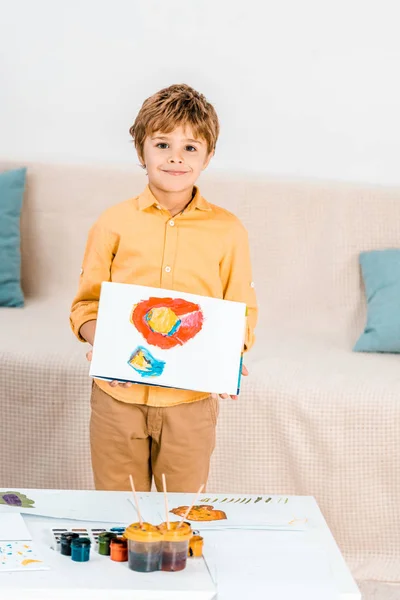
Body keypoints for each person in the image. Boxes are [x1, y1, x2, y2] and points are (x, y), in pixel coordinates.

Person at [70, 83, 257, 492]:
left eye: (191, 147)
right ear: (142, 152)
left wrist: (230, 356)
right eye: (162, 144)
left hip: (189, 402)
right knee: (117, 511)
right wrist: (103, 339)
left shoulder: (229, 231)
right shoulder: (112, 223)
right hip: (117, 399)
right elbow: (85, 306)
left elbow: (241, 306)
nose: (176, 157)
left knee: (179, 516)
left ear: (209, 156)